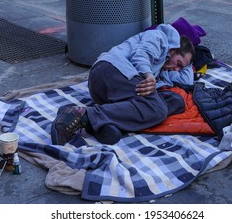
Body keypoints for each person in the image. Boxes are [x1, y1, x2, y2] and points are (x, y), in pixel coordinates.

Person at [51, 23, 195, 145]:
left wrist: (186, 65)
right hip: (109, 70)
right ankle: (81, 115)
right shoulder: (159, 37)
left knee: (176, 101)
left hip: (111, 92)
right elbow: (140, 55)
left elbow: (186, 81)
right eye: (179, 64)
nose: (176, 69)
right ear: (174, 49)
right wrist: (149, 76)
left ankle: (102, 123)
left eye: (181, 68)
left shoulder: (164, 62)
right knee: (157, 109)